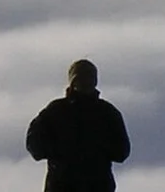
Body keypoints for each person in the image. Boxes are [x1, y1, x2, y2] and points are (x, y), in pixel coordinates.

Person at [26, 59, 131, 192]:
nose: (86, 83)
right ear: (73, 82)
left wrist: (95, 150)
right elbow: (34, 145)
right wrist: (60, 153)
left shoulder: (108, 113)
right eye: (81, 79)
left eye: (89, 78)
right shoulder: (55, 111)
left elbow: (122, 151)